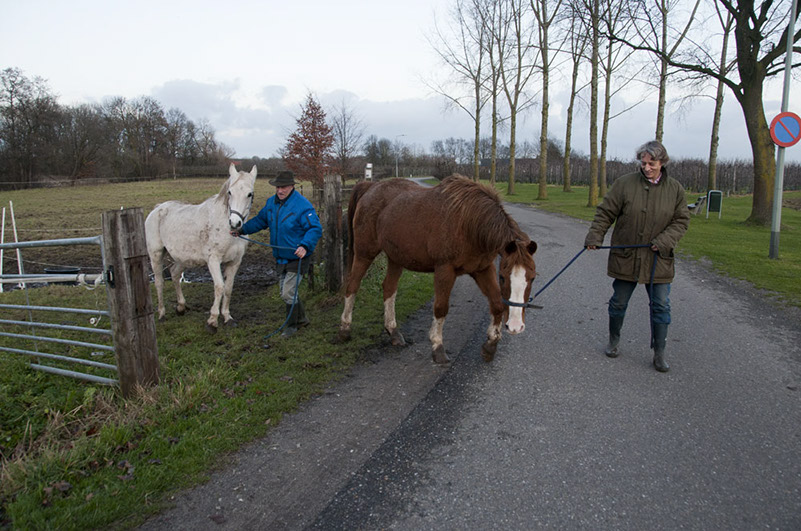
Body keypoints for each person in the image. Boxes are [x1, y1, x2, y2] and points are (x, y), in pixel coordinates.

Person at [584, 140, 690, 372]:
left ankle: (659, 353)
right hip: (626, 256)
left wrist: (663, 241)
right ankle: (614, 341)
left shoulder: (675, 190)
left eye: (652, 163)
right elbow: (605, 212)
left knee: (661, 306)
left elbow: (681, 221)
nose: (646, 167)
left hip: (658, 260)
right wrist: (595, 236)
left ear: (663, 163)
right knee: (618, 302)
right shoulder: (624, 184)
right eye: (643, 163)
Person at [232, 170, 322, 337]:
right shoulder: (271, 204)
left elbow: (315, 228)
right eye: (278, 187)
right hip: (280, 257)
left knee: (288, 292)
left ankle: (291, 326)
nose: (280, 191)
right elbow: (260, 221)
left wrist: (305, 245)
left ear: (292, 186)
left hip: (298, 256)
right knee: (287, 292)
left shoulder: (302, 206)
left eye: (284, 187)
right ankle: (302, 318)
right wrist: (242, 229)